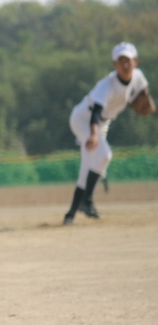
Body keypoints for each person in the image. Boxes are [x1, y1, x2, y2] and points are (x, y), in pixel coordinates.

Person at [63, 42, 154, 225]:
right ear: (114, 64)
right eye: (121, 61)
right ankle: (86, 202)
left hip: (102, 123)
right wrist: (93, 135)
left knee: (90, 164)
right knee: (104, 154)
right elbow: (95, 113)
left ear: (135, 62)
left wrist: (148, 100)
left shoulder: (138, 76)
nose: (125, 64)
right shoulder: (107, 86)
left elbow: (144, 92)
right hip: (83, 120)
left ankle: (71, 213)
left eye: (128, 60)